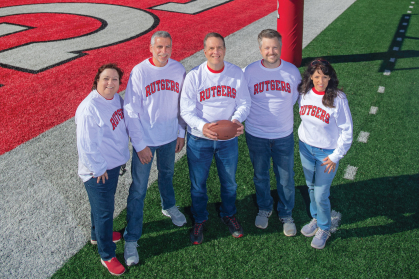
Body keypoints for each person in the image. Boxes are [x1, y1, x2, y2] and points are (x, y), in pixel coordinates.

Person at [180, 32, 251, 245]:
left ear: (225, 50)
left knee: (229, 182)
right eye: (211, 48)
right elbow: (186, 110)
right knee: (198, 184)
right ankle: (200, 219)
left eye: (219, 47)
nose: (216, 52)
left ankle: (228, 213)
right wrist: (203, 126)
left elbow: (244, 103)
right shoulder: (194, 76)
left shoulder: (236, 73)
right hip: (200, 139)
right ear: (204, 51)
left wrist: (236, 120)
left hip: (227, 140)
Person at [123, 31, 187, 265]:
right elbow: (131, 110)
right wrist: (140, 145)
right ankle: (132, 237)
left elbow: (183, 104)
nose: (163, 51)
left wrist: (181, 132)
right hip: (146, 140)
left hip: (170, 137)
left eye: (167, 47)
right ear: (150, 48)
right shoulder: (140, 71)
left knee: (167, 175)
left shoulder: (179, 69)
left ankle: (168, 205)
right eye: (159, 47)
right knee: (139, 188)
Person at [243, 29, 301, 236]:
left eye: (275, 47)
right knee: (260, 176)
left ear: (281, 47)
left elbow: (296, 99)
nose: (271, 51)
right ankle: (265, 208)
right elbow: (243, 100)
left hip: (283, 134)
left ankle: (286, 213)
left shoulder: (292, 72)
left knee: (285, 177)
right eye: (267, 47)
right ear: (260, 49)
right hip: (256, 134)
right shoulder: (249, 72)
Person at [75, 63, 129, 276]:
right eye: (106, 78)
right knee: (105, 211)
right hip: (98, 169)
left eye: (114, 79)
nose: (110, 83)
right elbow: (85, 145)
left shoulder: (115, 98)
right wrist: (98, 168)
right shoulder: (90, 107)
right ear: (97, 80)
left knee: (99, 207)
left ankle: (96, 235)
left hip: (110, 165)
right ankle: (107, 254)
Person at [298, 59, 353, 249]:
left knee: (321, 194)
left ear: (331, 78)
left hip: (326, 154)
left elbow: (347, 131)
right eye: (317, 76)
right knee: (311, 187)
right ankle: (316, 217)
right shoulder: (304, 93)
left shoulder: (338, 98)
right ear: (310, 77)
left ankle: (324, 227)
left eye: (325, 76)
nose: (321, 80)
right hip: (305, 148)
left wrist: (336, 156)